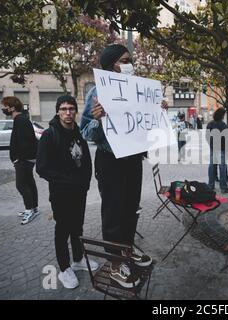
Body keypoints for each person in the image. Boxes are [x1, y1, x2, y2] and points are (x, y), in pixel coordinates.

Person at [80, 44, 152, 289]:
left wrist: (157, 110)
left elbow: (145, 121)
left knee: (131, 208)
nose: (130, 63)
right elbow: (86, 132)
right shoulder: (97, 92)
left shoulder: (137, 90)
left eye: (130, 59)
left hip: (133, 158)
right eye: (125, 60)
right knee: (113, 213)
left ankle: (127, 250)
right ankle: (114, 265)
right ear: (113, 64)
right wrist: (99, 119)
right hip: (110, 160)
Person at [36, 95, 98, 289]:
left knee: (77, 227)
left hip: (79, 192)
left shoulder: (77, 132)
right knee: (62, 231)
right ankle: (64, 269)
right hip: (61, 194)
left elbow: (86, 160)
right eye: (63, 109)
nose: (68, 112)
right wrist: (69, 182)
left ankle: (78, 260)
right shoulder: (50, 134)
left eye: (71, 108)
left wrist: (85, 184)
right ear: (57, 111)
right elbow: (42, 168)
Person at [1, 96, 39, 225]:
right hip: (25, 159)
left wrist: (18, 159)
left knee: (21, 185)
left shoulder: (20, 120)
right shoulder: (21, 119)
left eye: (5, 106)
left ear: (12, 107)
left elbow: (26, 142)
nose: (3, 108)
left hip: (24, 159)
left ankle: (30, 210)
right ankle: (34, 208)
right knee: (29, 182)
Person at [206, 107, 228, 193]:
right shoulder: (223, 125)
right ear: (222, 115)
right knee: (222, 168)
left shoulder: (210, 124)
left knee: (212, 167)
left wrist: (211, 145)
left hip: (213, 148)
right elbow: (227, 139)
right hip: (221, 149)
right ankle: (223, 187)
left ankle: (210, 185)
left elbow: (207, 137)